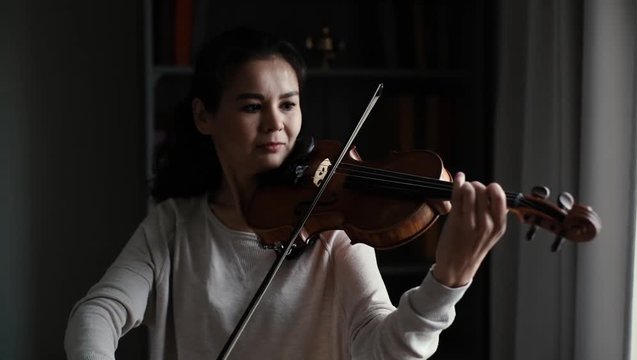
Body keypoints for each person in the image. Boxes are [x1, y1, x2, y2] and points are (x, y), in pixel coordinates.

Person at [64, 27, 507, 360]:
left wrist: (448, 279)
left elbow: (384, 350)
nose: (276, 123)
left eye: (288, 103)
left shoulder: (333, 231)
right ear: (204, 115)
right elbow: (98, 312)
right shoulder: (174, 227)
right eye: (253, 106)